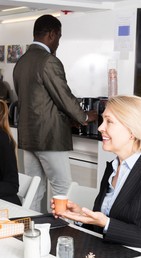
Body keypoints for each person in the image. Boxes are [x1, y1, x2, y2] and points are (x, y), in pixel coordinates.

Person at [53, 95, 141, 258]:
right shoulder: (113, 168)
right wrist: (83, 216)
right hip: (116, 255)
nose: (100, 127)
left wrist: (106, 223)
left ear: (132, 130)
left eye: (109, 121)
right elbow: (107, 227)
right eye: (102, 120)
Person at [13, 14, 97, 212]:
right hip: (49, 138)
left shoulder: (21, 62)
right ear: (51, 34)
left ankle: (30, 232)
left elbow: (39, 101)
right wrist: (84, 117)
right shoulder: (48, 61)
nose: (59, 42)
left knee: (34, 190)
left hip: (28, 137)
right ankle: (64, 236)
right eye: (59, 36)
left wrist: (67, 120)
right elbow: (63, 96)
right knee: (63, 190)